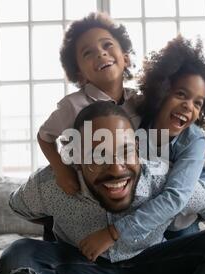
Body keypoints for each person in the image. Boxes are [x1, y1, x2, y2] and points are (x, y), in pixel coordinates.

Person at [0, 101, 205, 274]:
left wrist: (191, 175)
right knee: (18, 254)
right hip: (83, 271)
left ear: (137, 148)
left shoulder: (160, 178)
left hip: (151, 269)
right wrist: (56, 221)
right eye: (98, 155)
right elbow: (17, 205)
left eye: (125, 151)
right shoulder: (51, 183)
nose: (116, 168)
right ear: (76, 158)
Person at [79, 36, 205, 260]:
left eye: (198, 103)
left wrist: (113, 233)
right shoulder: (136, 122)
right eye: (181, 94)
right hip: (148, 217)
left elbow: (175, 197)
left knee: (180, 269)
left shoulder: (194, 140)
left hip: (182, 221)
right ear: (162, 90)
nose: (188, 106)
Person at [37, 12, 141, 195]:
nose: (101, 53)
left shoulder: (139, 101)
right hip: (86, 191)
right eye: (88, 53)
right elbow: (44, 137)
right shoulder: (72, 106)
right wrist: (61, 171)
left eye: (107, 45)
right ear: (79, 74)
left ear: (125, 58)